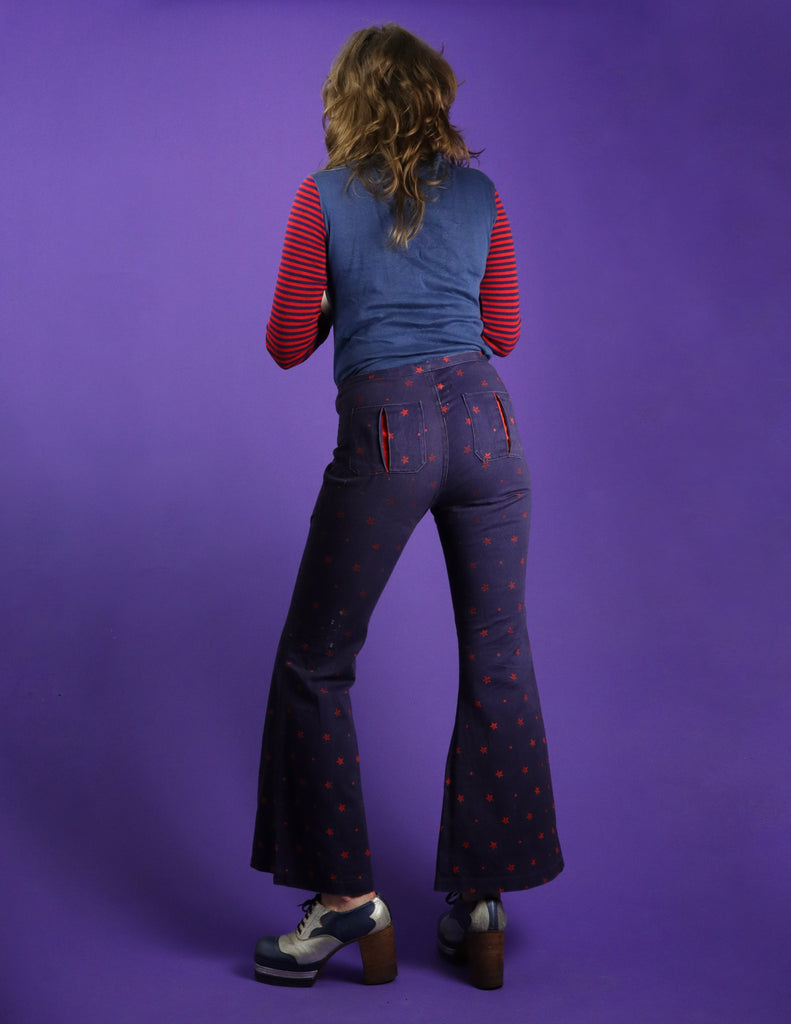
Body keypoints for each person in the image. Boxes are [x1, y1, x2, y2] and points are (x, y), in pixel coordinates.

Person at [251, 23, 563, 990]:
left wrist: (347, 302)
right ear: (435, 95)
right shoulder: (481, 194)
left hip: (388, 433)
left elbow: (284, 343)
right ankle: (482, 900)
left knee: (315, 664)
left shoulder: (321, 196)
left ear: (345, 98)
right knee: (498, 657)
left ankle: (346, 903)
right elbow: (502, 329)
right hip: (487, 429)